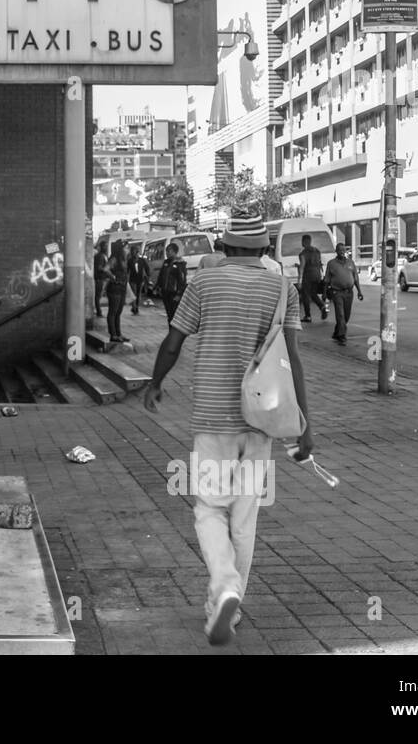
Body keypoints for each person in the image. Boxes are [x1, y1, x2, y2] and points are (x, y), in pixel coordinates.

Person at [141, 211, 314, 646]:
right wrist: (304, 426)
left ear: (225, 247)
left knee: (208, 509)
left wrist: (156, 382)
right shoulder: (282, 287)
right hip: (262, 421)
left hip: (213, 420)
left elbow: (174, 341)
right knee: (244, 517)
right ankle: (227, 604)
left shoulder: (203, 283)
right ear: (262, 250)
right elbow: (292, 359)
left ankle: (225, 587)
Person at [324, 242, 363, 343]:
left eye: (343, 250)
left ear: (345, 251)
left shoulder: (350, 263)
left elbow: (355, 278)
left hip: (349, 293)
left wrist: (359, 291)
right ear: (336, 251)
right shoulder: (331, 264)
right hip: (337, 292)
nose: (342, 252)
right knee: (340, 314)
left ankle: (337, 332)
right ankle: (342, 336)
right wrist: (324, 293)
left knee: (346, 316)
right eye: (339, 250)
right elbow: (326, 280)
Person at [156, 242, 188, 324]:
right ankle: (171, 332)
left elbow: (182, 280)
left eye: (169, 251)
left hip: (174, 293)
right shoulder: (166, 262)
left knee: (174, 315)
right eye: (166, 251)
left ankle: (173, 333)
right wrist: (158, 287)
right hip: (165, 292)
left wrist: (179, 294)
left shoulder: (180, 264)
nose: (166, 253)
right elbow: (161, 275)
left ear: (174, 252)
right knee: (169, 315)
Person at [297, 234, 326, 323]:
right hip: (317, 275)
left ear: (304, 242)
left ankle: (308, 316)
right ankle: (322, 306)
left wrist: (299, 280)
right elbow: (318, 263)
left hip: (308, 276)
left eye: (302, 241)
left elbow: (302, 266)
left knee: (305, 295)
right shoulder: (317, 251)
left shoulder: (303, 253)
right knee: (313, 294)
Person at [105, 240, 130, 343]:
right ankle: (113, 335)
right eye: (126, 248)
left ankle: (118, 333)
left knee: (118, 312)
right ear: (121, 249)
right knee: (113, 312)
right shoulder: (115, 258)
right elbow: (106, 269)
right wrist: (113, 277)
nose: (128, 250)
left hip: (122, 287)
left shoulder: (124, 259)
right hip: (114, 288)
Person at [127, 243, 150, 313]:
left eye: (134, 252)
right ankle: (134, 307)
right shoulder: (130, 260)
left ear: (137, 252)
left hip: (140, 279)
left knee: (138, 294)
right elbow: (127, 270)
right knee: (133, 294)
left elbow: (147, 268)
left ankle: (136, 307)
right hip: (132, 279)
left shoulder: (142, 260)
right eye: (132, 252)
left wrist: (148, 276)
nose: (133, 253)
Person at [93, 239, 110, 318]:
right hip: (100, 278)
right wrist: (106, 269)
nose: (106, 248)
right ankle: (98, 311)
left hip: (102, 278)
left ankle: (98, 310)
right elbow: (99, 268)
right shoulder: (100, 256)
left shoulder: (103, 255)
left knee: (99, 295)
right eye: (105, 246)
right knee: (98, 295)